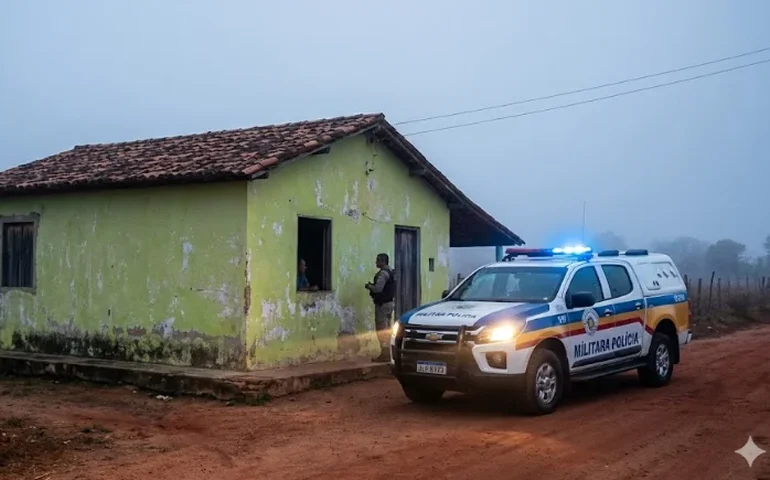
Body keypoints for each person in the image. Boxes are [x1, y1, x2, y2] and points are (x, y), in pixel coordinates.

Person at [365, 253, 396, 362]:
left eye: (377, 260)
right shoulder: (391, 272)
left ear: (383, 261)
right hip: (389, 304)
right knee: (387, 329)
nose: (376, 262)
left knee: (381, 329)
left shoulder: (383, 273)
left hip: (382, 305)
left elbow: (378, 289)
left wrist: (369, 286)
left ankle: (385, 354)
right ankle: (389, 353)